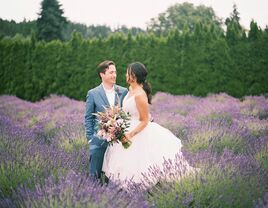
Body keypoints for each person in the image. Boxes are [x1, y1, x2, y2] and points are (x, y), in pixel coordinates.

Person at [102, 62, 196, 188]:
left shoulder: (140, 94)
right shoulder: (130, 90)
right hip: (126, 128)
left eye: (127, 72)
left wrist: (130, 134)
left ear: (133, 75)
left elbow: (145, 120)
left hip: (137, 132)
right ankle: (125, 190)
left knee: (141, 163)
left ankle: (142, 190)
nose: (125, 74)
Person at [85, 60, 128, 180]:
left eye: (115, 72)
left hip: (119, 140)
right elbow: (88, 118)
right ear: (102, 74)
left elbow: (127, 113)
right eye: (111, 72)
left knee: (116, 176)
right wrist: (90, 138)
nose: (114, 75)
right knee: (95, 175)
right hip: (99, 140)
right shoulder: (92, 94)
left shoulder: (123, 91)